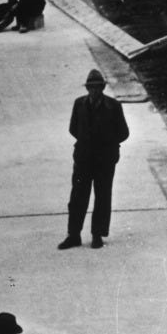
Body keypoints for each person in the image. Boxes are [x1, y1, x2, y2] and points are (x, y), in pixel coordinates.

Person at [58, 69, 130, 250]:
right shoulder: (79, 104)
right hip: (83, 159)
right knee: (77, 197)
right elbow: (73, 128)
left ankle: (97, 234)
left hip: (105, 160)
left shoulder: (113, 106)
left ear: (103, 88)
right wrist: (86, 143)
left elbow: (123, 132)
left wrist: (107, 144)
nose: (94, 91)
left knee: (102, 197)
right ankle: (73, 235)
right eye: (91, 88)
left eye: (97, 87)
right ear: (87, 88)